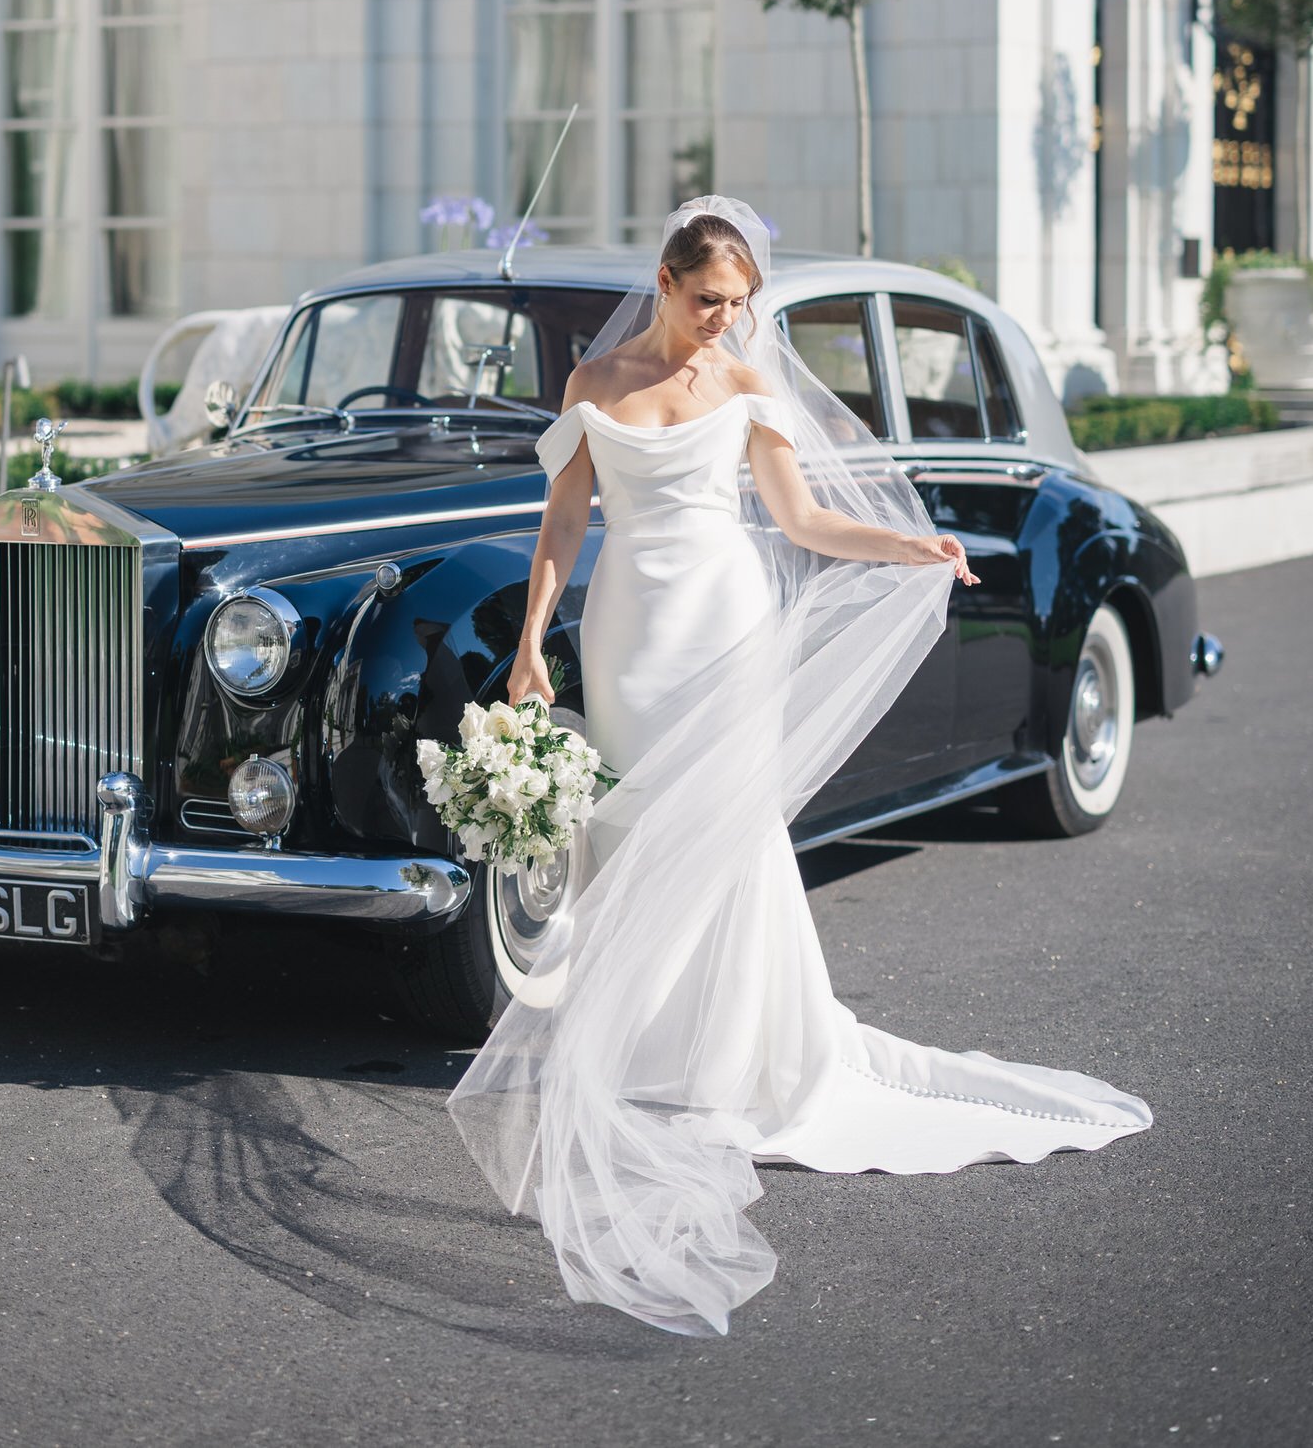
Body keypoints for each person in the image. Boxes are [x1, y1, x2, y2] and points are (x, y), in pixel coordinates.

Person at [448, 198, 1151, 1338]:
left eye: (740, 302)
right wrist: (533, 640)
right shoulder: (594, 383)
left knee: (723, 829)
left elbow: (804, 517)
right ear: (665, 286)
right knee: (633, 828)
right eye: (708, 299)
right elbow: (562, 525)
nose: (727, 320)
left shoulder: (742, 385)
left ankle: (735, 1061)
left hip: (724, 622)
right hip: (630, 628)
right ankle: (646, 1044)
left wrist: (910, 544)